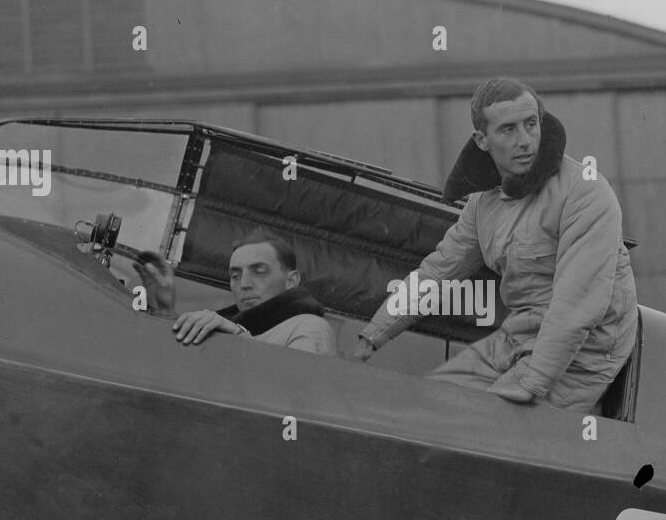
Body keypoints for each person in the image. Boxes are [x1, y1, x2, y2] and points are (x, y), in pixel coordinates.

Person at [353, 77, 638, 413]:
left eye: (531, 125)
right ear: (482, 140)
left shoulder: (586, 192)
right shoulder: (483, 205)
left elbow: (578, 304)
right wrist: (372, 336)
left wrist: (532, 382)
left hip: (586, 351)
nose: (525, 141)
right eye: (507, 130)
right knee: (425, 407)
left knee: (483, 427)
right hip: (519, 336)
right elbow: (437, 273)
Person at [134, 233, 335, 354]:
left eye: (259, 271)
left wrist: (238, 337)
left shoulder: (311, 327)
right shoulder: (224, 324)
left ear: (291, 281)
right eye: (235, 275)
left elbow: (293, 399)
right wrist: (164, 311)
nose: (244, 284)